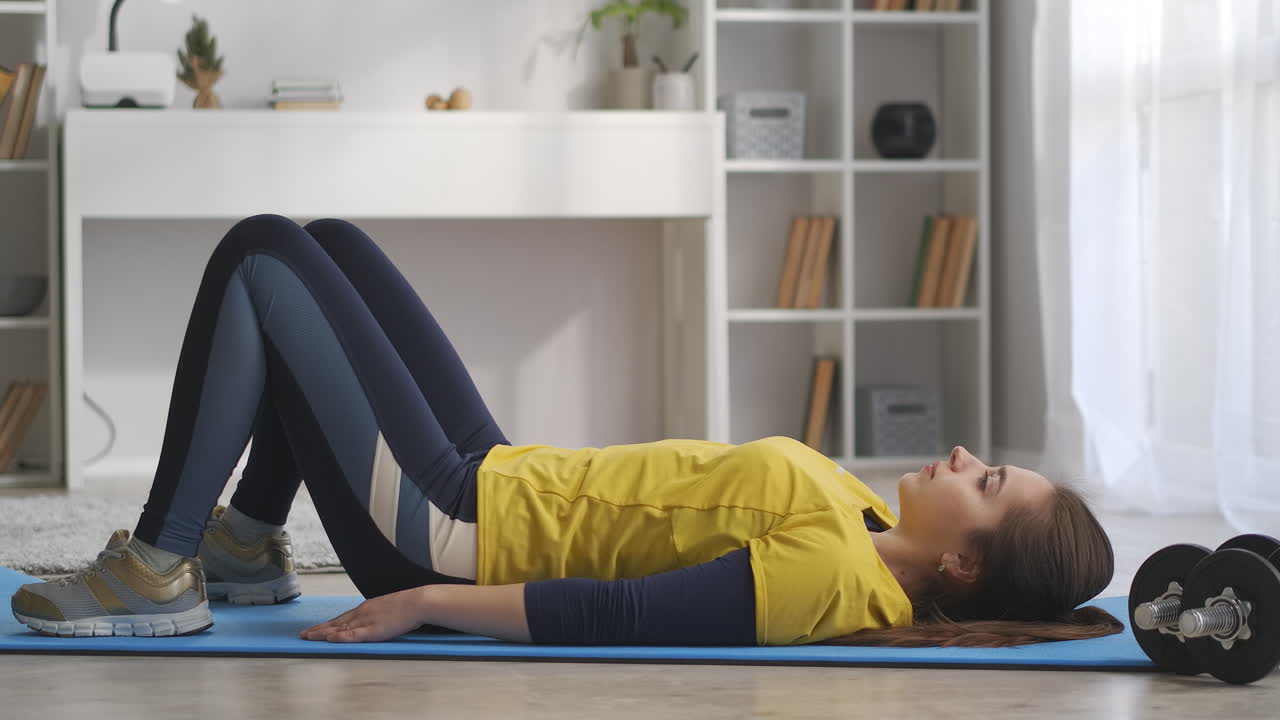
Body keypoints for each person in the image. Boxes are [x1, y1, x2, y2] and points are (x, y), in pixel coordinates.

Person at [9, 215, 1124, 647]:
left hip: (447, 528)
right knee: (329, 245)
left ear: (963, 560)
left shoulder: (834, 578)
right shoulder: (870, 519)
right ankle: (246, 546)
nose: (967, 457)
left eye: (988, 481)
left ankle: (159, 566)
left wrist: (423, 600)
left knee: (260, 258)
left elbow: (623, 612)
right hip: (493, 473)